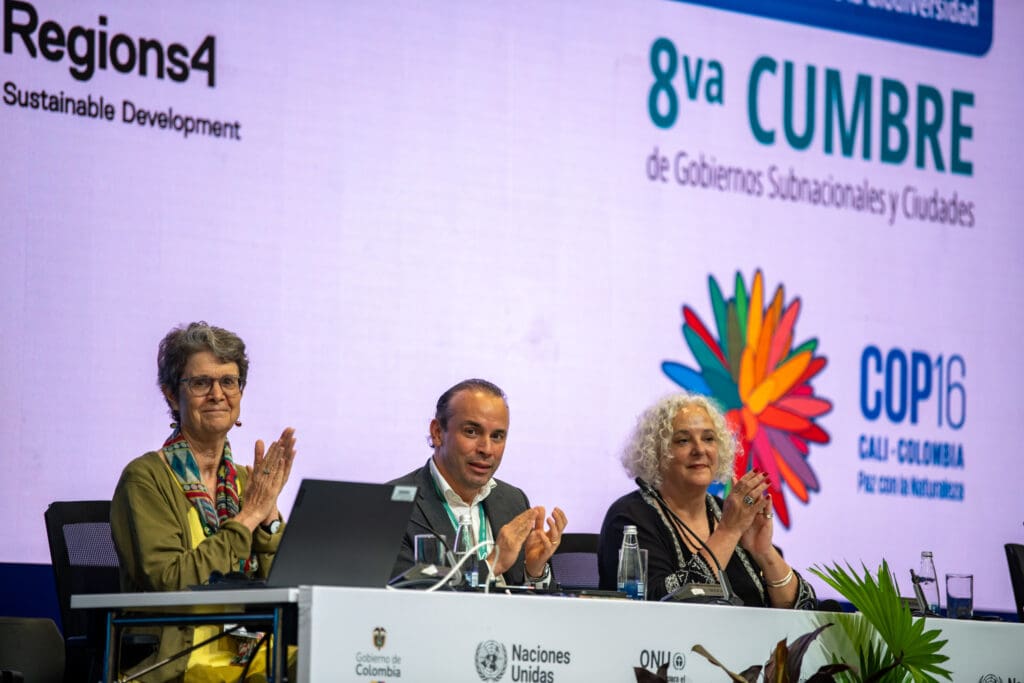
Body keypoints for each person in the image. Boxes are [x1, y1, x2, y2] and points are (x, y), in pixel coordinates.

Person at [111, 322, 297, 682]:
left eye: (228, 381)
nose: (217, 394)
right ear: (171, 395)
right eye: (201, 383)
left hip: (248, 655)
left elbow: (285, 590)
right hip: (177, 663)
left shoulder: (246, 481)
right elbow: (172, 582)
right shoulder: (145, 478)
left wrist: (269, 519)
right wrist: (247, 518)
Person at [598, 392, 816, 607]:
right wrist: (728, 531)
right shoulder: (630, 517)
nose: (700, 449)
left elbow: (805, 609)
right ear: (656, 453)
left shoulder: (729, 513)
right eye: (683, 440)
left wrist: (763, 551)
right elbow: (659, 605)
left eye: (709, 439)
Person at [389, 378, 567, 587]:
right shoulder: (392, 505)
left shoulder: (513, 500)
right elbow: (408, 592)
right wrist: (492, 564)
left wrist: (534, 572)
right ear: (437, 433)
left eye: (497, 436)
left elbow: (535, 602)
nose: (486, 449)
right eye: (471, 432)